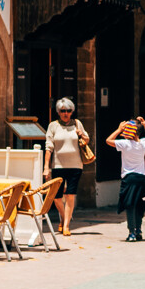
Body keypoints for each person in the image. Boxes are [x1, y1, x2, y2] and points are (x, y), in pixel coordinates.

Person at [43, 98, 89, 237]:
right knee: (56, 196)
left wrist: (81, 135)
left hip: (75, 165)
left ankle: (67, 225)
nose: (66, 113)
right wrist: (46, 167)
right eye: (63, 111)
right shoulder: (53, 126)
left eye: (68, 111)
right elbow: (49, 147)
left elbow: (87, 139)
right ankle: (63, 217)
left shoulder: (77, 123)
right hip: (58, 165)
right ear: (58, 112)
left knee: (70, 194)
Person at [106, 117, 145, 242]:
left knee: (130, 205)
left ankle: (131, 233)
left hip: (129, 178)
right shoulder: (143, 143)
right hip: (141, 178)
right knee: (139, 205)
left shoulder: (125, 144)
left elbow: (108, 140)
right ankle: (138, 230)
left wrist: (118, 129)